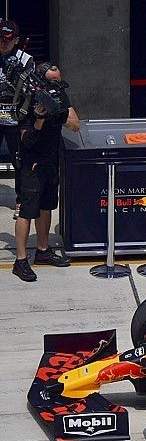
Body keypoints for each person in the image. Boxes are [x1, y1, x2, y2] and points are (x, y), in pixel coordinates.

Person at [12, 62, 77, 282]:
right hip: (32, 163)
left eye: (59, 81)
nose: (56, 86)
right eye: (53, 81)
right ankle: (20, 261)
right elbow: (26, 141)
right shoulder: (26, 101)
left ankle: (43, 250)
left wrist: (58, 112)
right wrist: (39, 119)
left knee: (47, 206)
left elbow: (75, 124)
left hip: (50, 159)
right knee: (26, 210)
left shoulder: (60, 96)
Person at [0, 20, 33, 220]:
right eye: (0, 38)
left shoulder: (25, 58)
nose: (3, 42)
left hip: (16, 117)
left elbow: (29, 89)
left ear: (17, 40)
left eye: (8, 39)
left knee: (19, 160)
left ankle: (20, 199)